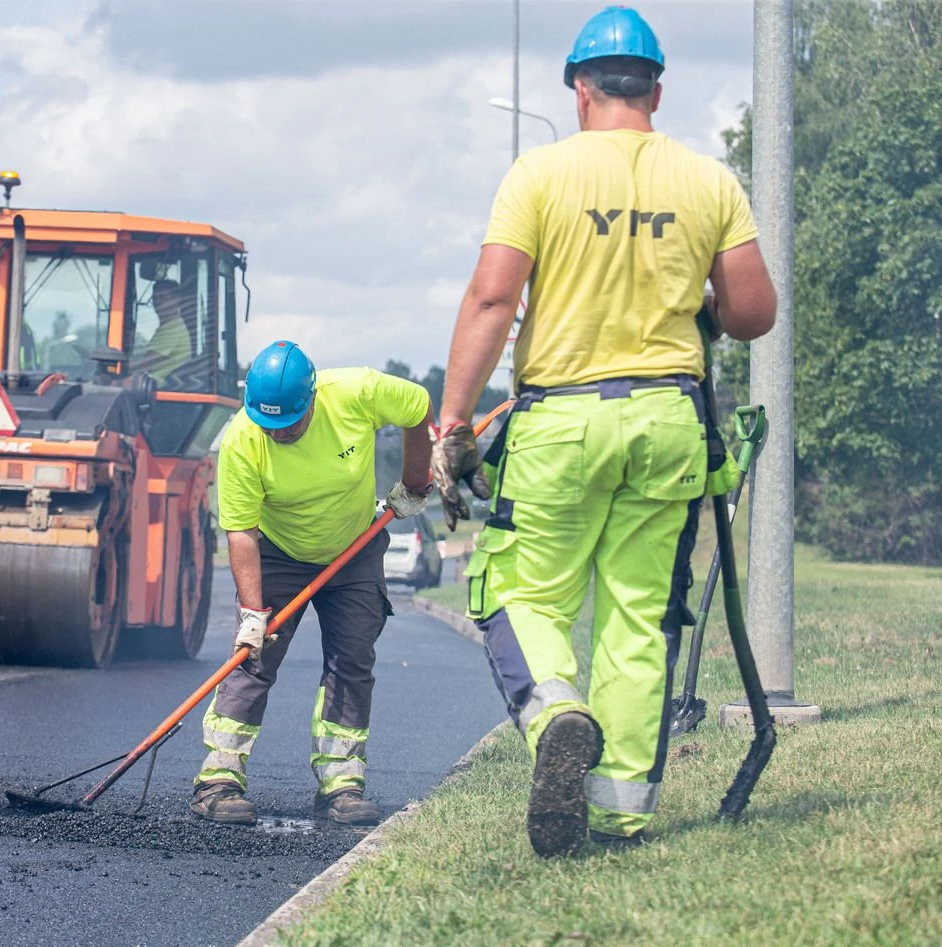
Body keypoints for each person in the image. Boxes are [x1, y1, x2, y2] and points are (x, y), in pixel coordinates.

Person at [431, 5, 776, 856]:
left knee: (516, 591)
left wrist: (453, 422)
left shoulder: (539, 175)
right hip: (667, 427)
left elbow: (492, 299)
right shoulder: (708, 181)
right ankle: (621, 811)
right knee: (638, 618)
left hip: (559, 425)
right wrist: (701, 302)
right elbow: (754, 313)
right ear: (655, 91)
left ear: (579, 92)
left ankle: (555, 712)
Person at [191, 340, 434, 826]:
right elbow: (241, 532)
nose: (278, 433)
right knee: (253, 660)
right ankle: (217, 780)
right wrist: (253, 615)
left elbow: (419, 407)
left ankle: (341, 785)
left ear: (313, 398)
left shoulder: (358, 392)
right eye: (269, 425)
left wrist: (414, 482)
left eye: (290, 423)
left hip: (354, 549)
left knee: (351, 662)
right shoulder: (241, 440)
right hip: (278, 551)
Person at [131, 279, 201, 387]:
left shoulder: (173, 329)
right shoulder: (168, 327)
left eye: (163, 298)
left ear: (176, 300)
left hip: (157, 390)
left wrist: (120, 366)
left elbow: (145, 364)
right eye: (155, 298)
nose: (158, 303)